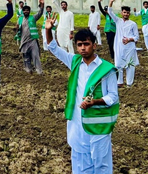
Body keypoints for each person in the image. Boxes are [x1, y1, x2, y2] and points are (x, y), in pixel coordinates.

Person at [45, 19, 119, 174]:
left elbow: (113, 96)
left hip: (98, 121)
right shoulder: (75, 62)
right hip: (78, 120)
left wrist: (95, 102)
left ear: (94, 45)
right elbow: (54, 49)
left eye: (86, 44)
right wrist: (48, 30)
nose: (83, 48)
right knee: (79, 157)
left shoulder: (107, 69)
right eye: (79, 45)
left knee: (101, 161)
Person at [103, 0, 139, 88]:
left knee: (130, 66)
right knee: (118, 64)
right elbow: (110, 12)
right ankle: (119, 82)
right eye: (124, 12)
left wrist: (129, 39)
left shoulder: (133, 24)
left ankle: (129, 83)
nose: (126, 14)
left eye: (127, 13)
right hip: (119, 46)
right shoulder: (118, 21)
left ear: (129, 14)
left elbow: (137, 37)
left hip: (129, 48)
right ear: (121, 13)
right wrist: (111, 1)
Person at [15, 0, 45, 74]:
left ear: (29, 11)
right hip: (23, 41)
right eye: (24, 10)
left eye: (27, 10)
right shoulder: (20, 19)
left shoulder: (33, 18)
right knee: (26, 56)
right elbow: (17, 27)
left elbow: (40, 13)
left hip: (32, 40)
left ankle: (39, 71)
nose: (26, 11)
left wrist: (42, 4)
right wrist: (16, 28)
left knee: (35, 56)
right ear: (23, 11)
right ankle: (28, 70)